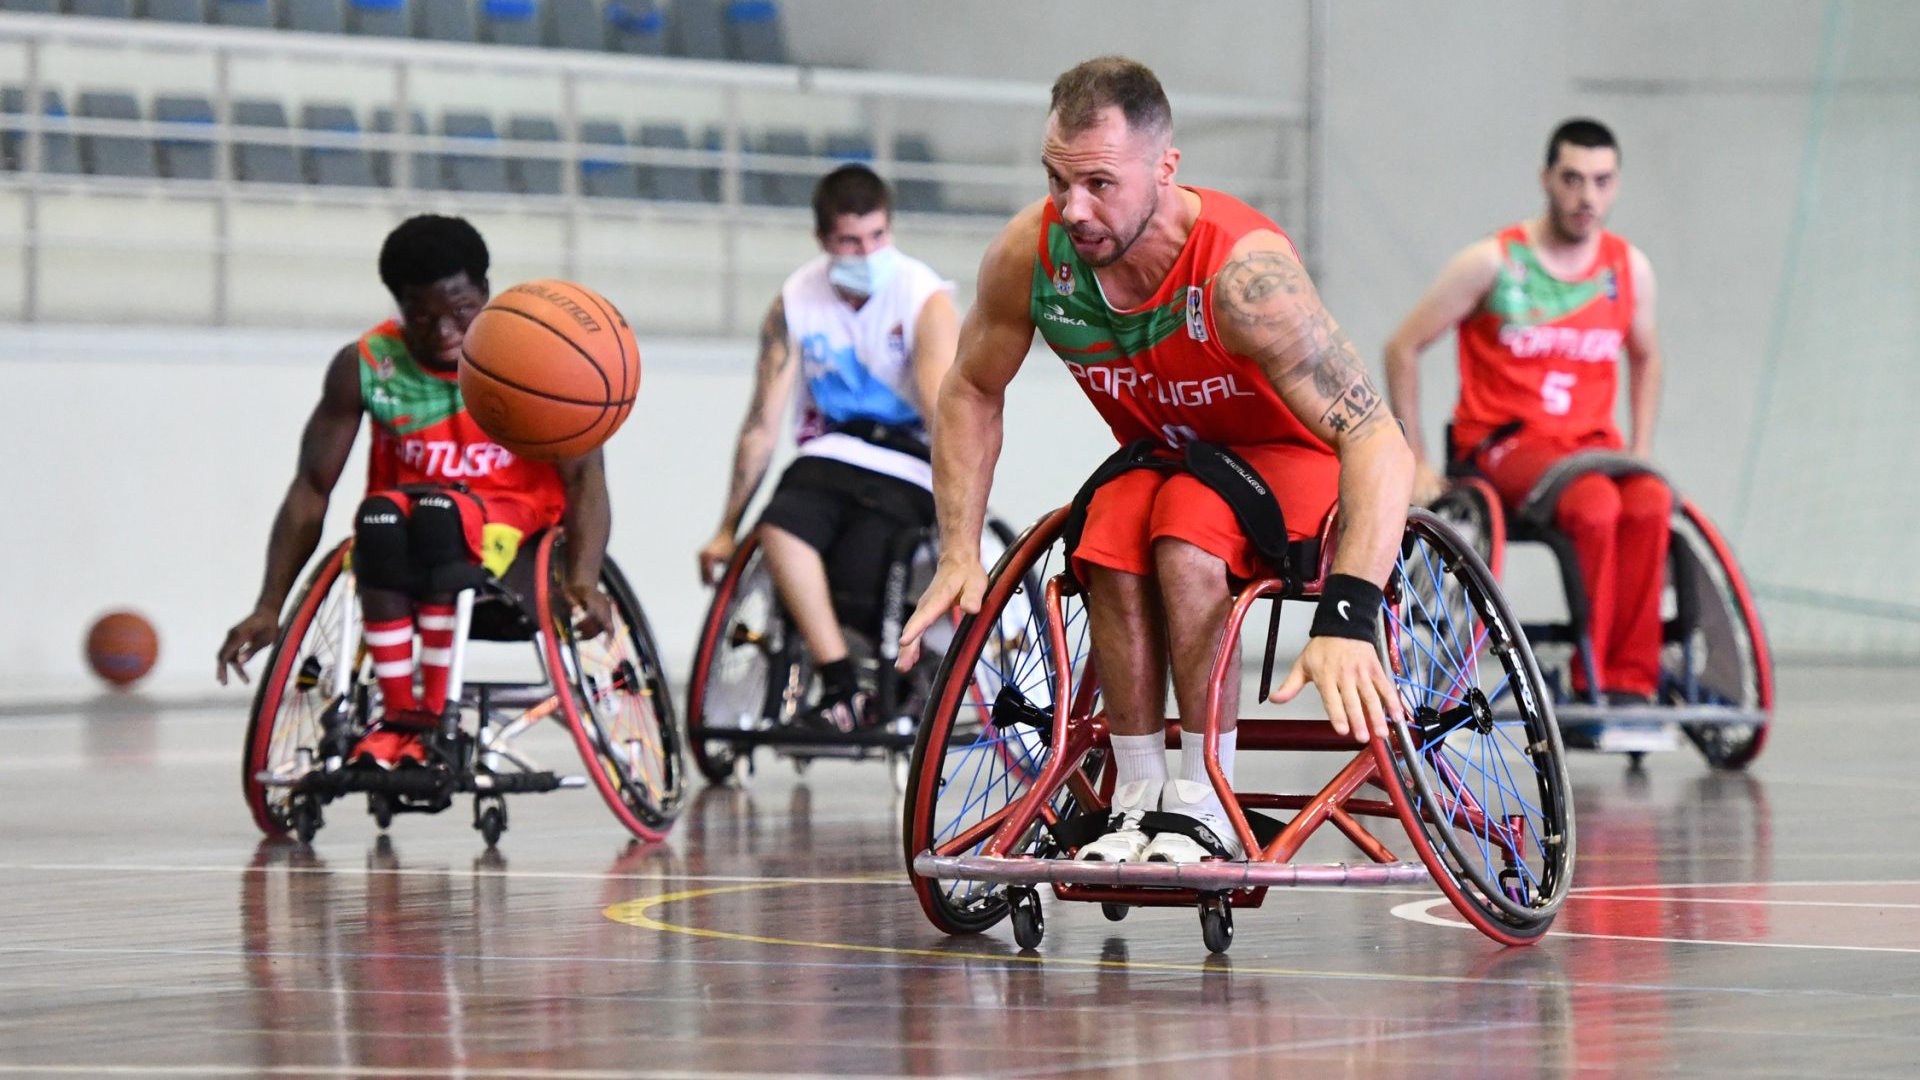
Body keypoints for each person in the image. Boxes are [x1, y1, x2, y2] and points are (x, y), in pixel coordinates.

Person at [899, 57, 1413, 864]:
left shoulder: (1243, 274)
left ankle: (1205, 799)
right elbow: (968, 388)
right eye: (1058, 181)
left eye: (1101, 183)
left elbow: (1377, 437)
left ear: (1165, 169)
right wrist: (960, 547)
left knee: (1185, 530)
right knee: (1107, 529)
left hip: (1294, 463)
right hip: (1175, 462)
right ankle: (1138, 800)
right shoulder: (1032, 258)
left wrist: (1347, 615)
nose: (1073, 209)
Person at [217, 214, 613, 765]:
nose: (444, 331)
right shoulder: (367, 365)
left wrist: (585, 577)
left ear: (486, 292)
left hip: (513, 541)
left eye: (461, 311)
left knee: (439, 516)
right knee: (380, 517)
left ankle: (422, 716)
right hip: (400, 540)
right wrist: (268, 605)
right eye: (422, 316)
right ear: (399, 307)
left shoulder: (539, 361)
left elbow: (585, 477)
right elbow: (310, 490)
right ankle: (403, 718)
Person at [1383, 118, 1667, 704]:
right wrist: (1415, 456)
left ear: (1615, 185)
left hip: (1591, 447)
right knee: (1594, 505)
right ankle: (1595, 680)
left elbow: (1647, 356)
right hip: (1504, 446)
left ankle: (1631, 684)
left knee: (1650, 499)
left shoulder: (1627, 269)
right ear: (1546, 179)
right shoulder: (1493, 261)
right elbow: (1402, 347)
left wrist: (1640, 447)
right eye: (1572, 178)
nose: (1587, 195)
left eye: (1601, 181)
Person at [697, 164, 959, 732]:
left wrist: (961, 525)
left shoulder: (923, 298)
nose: (866, 253)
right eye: (849, 240)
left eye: (877, 237)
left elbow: (949, 416)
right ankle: (838, 681)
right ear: (823, 241)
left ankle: (901, 678)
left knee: (863, 570)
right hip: (831, 452)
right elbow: (762, 424)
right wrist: (726, 526)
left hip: (908, 459)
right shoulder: (795, 301)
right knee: (782, 522)